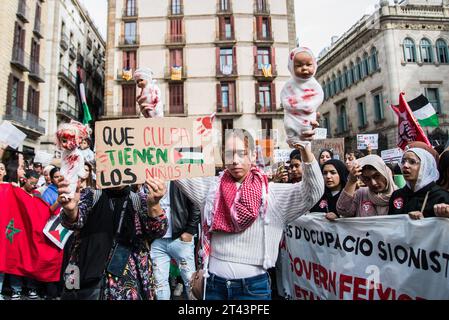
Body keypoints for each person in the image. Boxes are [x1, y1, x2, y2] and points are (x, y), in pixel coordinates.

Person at [174, 128, 324, 300]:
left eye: (242, 153)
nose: (235, 160)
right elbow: (177, 168)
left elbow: (313, 192)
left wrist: (305, 149)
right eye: (229, 154)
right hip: (214, 286)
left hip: (253, 290)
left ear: (253, 156)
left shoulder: (272, 194)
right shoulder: (211, 189)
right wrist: (156, 115)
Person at [57, 176, 168, 300]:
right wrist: (70, 210)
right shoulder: (90, 196)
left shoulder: (141, 200)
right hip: (88, 278)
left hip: (129, 283)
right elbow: (74, 221)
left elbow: (158, 231)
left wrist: (154, 205)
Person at [149, 181, 200, 300]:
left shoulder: (180, 180)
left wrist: (189, 231)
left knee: (190, 282)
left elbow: (196, 203)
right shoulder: (149, 180)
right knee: (159, 284)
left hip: (180, 238)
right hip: (157, 240)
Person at [388, 148, 449, 219]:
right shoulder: (397, 195)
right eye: (403, 161)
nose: (405, 165)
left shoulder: (440, 196)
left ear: (425, 166)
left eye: (412, 162)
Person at [281, 47, 324, 147]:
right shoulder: (289, 84)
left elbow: (318, 97)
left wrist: (309, 106)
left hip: (307, 115)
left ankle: (304, 144)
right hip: (292, 114)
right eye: (299, 65)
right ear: (291, 67)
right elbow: (284, 98)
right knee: (289, 125)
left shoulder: (314, 84)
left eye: (308, 65)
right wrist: (293, 106)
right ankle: (292, 139)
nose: (304, 68)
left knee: (306, 130)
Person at [336, 155, 397, 219]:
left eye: (377, 176)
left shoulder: (399, 195)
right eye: (367, 179)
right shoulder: (360, 194)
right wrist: (351, 182)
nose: (373, 183)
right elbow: (343, 210)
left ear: (385, 173)